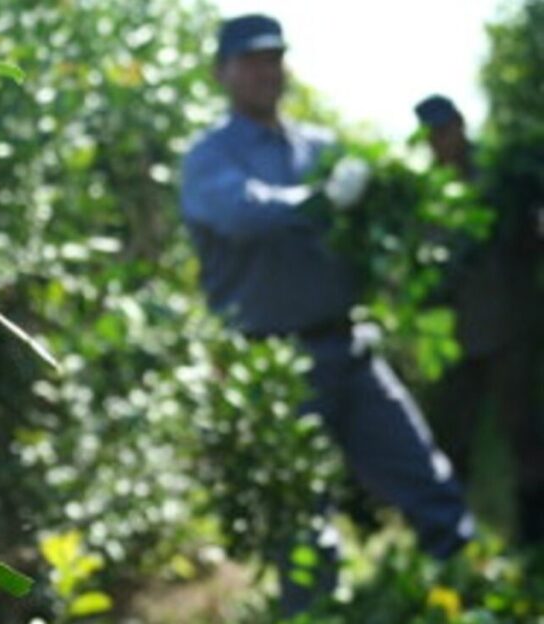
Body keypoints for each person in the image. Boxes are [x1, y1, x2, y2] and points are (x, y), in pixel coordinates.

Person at [179, 14, 474, 613]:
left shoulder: (323, 147)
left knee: (425, 478)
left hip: (350, 347)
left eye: (275, 58)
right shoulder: (210, 157)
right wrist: (315, 200)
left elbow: (374, 226)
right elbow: (240, 213)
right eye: (253, 60)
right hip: (275, 361)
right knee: (302, 525)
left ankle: (471, 591)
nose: (268, 71)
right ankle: (315, 611)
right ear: (222, 73)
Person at [415, 94, 544, 544]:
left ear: (461, 126)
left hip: (510, 326)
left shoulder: (504, 181)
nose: (441, 141)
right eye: (432, 134)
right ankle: (453, 533)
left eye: (446, 129)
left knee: (523, 430)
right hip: (457, 336)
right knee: (452, 435)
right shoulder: (426, 194)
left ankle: (532, 533)